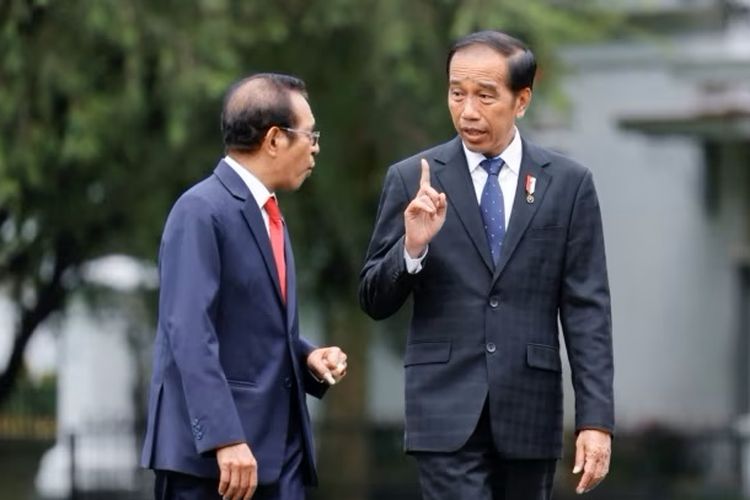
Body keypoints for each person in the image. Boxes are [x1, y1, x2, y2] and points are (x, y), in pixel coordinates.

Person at [359, 30, 613, 499]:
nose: (468, 111)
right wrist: (411, 249)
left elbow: (586, 309)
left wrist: (596, 420)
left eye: (484, 96)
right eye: (457, 94)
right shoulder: (412, 178)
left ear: (522, 100)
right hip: (444, 410)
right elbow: (373, 298)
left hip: (529, 411)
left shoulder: (568, 185)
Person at [140, 73, 348, 500]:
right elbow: (189, 331)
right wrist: (224, 438)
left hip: (277, 455)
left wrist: (307, 356)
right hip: (216, 464)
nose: (316, 147)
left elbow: (250, 323)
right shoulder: (200, 210)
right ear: (274, 139)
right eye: (310, 134)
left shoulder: (268, 213)